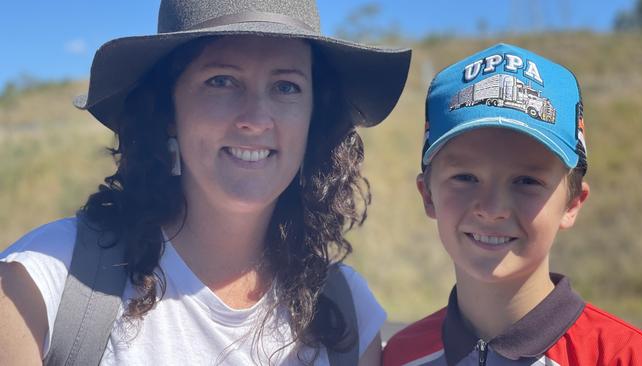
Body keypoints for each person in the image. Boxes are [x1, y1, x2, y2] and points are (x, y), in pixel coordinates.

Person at [0, 0, 411, 365]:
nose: (256, 117)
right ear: (166, 108)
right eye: (222, 81)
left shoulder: (347, 312)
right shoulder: (42, 284)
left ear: (313, 117)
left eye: (286, 86)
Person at [382, 43, 642, 365]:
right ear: (427, 195)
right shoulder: (399, 355)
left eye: (527, 181)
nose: (493, 208)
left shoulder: (627, 356)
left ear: (572, 203)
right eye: (465, 177)